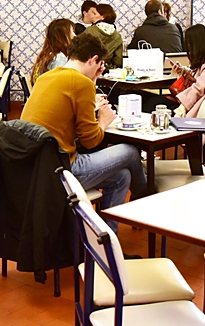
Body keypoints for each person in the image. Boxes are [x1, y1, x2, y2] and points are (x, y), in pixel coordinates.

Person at [21, 34, 147, 216]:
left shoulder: (46, 77)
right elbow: (90, 141)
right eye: (99, 64)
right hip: (62, 169)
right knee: (131, 151)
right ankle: (145, 196)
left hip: (33, 166)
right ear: (93, 59)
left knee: (122, 177)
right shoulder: (81, 83)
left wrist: (92, 81)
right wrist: (103, 121)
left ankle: (105, 231)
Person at [150, 24, 205, 117]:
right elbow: (200, 78)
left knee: (152, 106)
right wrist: (183, 70)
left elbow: (199, 88)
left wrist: (183, 107)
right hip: (197, 101)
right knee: (153, 102)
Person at [79, 3, 123, 68]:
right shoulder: (117, 36)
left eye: (95, 14)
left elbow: (79, 51)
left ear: (103, 17)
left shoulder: (90, 31)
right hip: (106, 69)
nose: (92, 16)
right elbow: (118, 61)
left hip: (88, 68)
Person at [31, 18, 75, 84]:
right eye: (72, 32)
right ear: (62, 37)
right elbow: (60, 84)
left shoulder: (48, 55)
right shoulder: (59, 58)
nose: (74, 35)